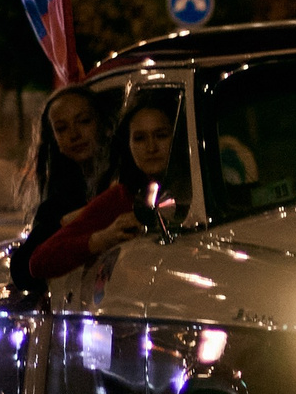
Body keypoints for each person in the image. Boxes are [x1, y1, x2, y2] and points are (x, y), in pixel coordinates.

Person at [26, 90, 181, 282]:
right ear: (128, 143)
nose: (151, 147)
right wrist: (102, 238)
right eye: (139, 138)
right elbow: (38, 261)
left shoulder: (209, 190)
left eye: (161, 135)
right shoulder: (123, 197)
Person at [9, 86, 107, 295]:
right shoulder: (59, 202)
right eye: (62, 128)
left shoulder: (126, 180)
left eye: (84, 121)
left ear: (103, 123)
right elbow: (23, 270)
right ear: (54, 140)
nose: (74, 134)